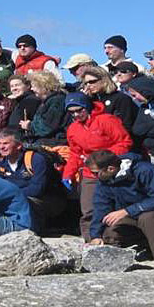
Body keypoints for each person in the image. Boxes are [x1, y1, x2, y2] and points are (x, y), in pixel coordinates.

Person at [85, 150, 154, 269]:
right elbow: (100, 208)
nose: (94, 176)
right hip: (132, 216)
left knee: (148, 218)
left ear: (110, 169)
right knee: (110, 231)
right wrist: (95, 236)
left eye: (96, 173)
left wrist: (127, 211)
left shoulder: (146, 170)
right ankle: (136, 250)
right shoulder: (104, 181)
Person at [63, 92, 133, 239]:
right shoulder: (73, 129)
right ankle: (90, 240)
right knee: (88, 210)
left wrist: (102, 157)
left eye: (79, 110)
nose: (76, 115)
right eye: (71, 112)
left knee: (114, 207)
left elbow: (125, 142)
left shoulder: (106, 120)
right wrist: (68, 174)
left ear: (87, 107)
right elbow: (75, 153)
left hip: (112, 169)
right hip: (90, 172)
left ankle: (116, 238)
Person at [0, 128, 67, 232]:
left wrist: (11, 194)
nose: (1, 147)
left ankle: (33, 229)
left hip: (47, 200)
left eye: (6, 143)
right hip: (16, 199)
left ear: (18, 145)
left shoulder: (35, 159)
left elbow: (37, 189)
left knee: (24, 202)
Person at [78, 65, 137, 132]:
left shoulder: (121, 98)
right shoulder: (91, 101)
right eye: (86, 83)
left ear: (104, 80)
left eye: (92, 82)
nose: (88, 85)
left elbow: (126, 125)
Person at [22, 71, 68, 142]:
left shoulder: (57, 101)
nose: (32, 89)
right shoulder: (47, 101)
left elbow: (48, 127)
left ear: (44, 86)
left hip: (54, 144)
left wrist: (29, 126)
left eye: (34, 86)